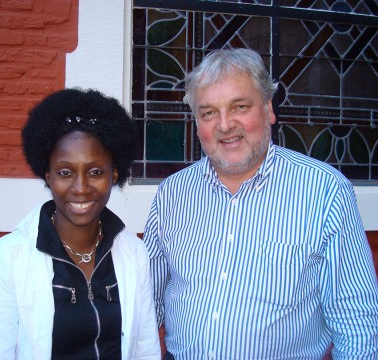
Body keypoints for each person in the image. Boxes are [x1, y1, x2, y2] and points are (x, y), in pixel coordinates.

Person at [142, 48, 378, 359]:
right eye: (209, 112)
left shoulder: (324, 191)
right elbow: (146, 303)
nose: (225, 125)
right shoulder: (173, 193)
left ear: (268, 108)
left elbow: (355, 319)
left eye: (239, 106)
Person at [0, 88, 161, 359]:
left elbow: (145, 350)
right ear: (47, 175)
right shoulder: (9, 258)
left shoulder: (133, 252)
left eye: (95, 171)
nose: (81, 187)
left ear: (114, 174)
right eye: (65, 172)